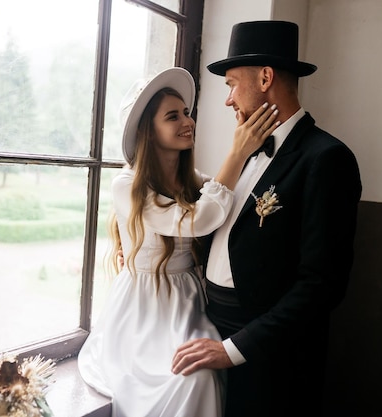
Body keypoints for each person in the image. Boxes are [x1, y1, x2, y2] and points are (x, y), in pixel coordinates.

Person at [171, 21, 362, 417]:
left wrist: (234, 348)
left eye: (230, 85)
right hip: (209, 326)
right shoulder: (243, 149)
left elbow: (321, 285)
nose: (227, 100)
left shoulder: (326, 158)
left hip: (268, 351)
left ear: (264, 77)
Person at [77, 67, 279, 417]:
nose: (187, 121)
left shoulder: (195, 180)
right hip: (144, 309)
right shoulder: (125, 185)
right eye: (173, 116)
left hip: (189, 303)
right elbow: (198, 220)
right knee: (180, 379)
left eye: (186, 112)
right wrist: (237, 152)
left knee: (200, 374)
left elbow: (221, 209)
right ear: (149, 133)